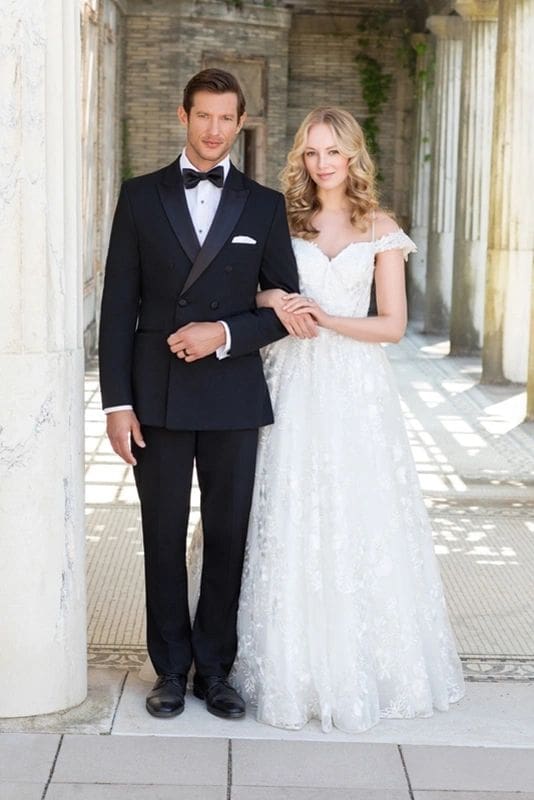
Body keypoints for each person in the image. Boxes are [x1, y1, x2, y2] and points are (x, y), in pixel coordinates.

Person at [229, 106, 465, 733]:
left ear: (353, 156)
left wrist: (327, 319)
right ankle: (287, 666)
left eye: (333, 151)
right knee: (287, 510)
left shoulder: (380, 228)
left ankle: (366, 666)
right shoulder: (283, 221)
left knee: (359, 513)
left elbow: (390, 325)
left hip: (355, 387)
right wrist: (277, 299)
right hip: (291, 379)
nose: (322, 163)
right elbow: (248, 289)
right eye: (311, 152)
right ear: (301, 159)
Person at [98, 68, 315, 720]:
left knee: (228, 535)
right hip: (156, 393)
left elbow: (284, 309)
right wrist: (116, 403)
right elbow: (117, 308)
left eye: (227, 119)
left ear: (240, 122)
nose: (215, 130)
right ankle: (169, 669)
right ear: (182, 115)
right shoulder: (140, 197)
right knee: (161, 534)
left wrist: (220, 330)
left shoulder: (262, 204)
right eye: (204, 117)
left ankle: (215, 671)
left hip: (231, 393)